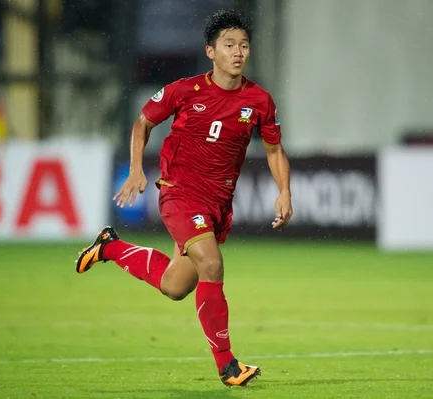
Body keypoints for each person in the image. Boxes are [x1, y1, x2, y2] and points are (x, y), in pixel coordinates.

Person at [75, 9, 292, 388]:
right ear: (211, 51)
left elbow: (274, 150)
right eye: (229, 45)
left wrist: (285, 191)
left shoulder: (259, 100)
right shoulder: (185, 90)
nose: (237, 52)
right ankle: (227, 366)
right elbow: (142, 122)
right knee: (212, 264)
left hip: (217, 205)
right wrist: (136, 168)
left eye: (243, 45)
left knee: (176, 287)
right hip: (180, 194)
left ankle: (109, 247)